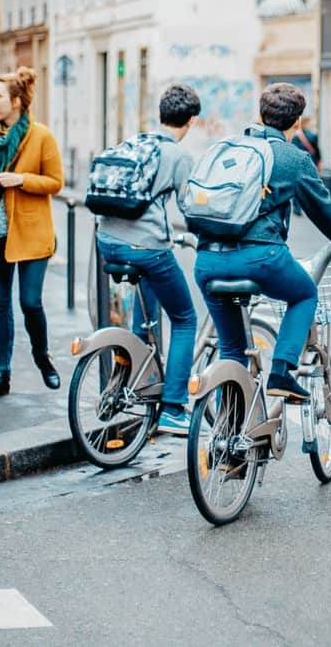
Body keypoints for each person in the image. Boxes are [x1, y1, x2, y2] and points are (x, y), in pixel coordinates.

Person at [192, 82, 331, 403]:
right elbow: (325, 211)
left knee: (231, 350)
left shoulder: (229, 147)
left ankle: (226, 436)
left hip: (207, 261)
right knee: (304, 294)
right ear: (297, 122)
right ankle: (282, 372)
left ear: (259, 115)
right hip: (261, 259)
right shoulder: (293, 158)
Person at [95, 84, 202, 433]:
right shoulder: (178, 155)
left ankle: (140, 382)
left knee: (148, 313)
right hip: (146, 247)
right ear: (189, 121)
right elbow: (190, 208)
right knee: (185, 318)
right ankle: (173, 407)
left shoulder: (137, 141)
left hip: (107, 241)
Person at [0, 67, 65, 399]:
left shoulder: (41, 136)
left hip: (33, 232)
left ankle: (43, 358)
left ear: (17, 102)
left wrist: (20, 180)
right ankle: (0, 373)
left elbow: (55, 182)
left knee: (29, 302)